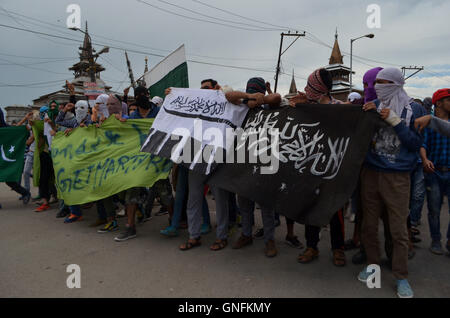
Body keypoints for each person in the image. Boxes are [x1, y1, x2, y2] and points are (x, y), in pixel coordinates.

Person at [359, 67, 424, 298]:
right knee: (369, 225)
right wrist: (367, 116)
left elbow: (416, 143)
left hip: (397, 177)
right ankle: (373, 265)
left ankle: (401, 276)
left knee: (398, 230)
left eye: (383, 82)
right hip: (371, 173)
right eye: (376, 83)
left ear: (395, 83)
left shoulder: (413, 108)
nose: (377, 87)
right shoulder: (373, 105)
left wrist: (394, 120)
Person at [289, 68, 347, 266]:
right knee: (311, 208)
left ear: (320, 89)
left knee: (335, 210)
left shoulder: (341, 107)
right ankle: (311, 246)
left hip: (334, 169)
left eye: (311, 86)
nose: (308, 90)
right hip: (310, 167)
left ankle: (338, 248)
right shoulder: (304, 106)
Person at [226, 77, 281, 257]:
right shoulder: (241, 106)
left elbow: (278, 98)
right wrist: (248, 97)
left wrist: (262, 98)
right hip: (244, 162)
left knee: (266, 205)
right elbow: (229, 95)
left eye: (254, 90)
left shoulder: (268, 107)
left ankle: (269, 240)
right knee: (244, 202)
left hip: (266, 161)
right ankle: (246, 234)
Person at [114, 89, 159, 242]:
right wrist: (123, 124)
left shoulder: (158, 112)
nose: (142, 98)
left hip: (157, 159)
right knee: (131, 193)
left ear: (148, 96)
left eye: (144, 95)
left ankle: (175, 222)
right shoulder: (133, 116)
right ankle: (130, 227)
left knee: (164, 194)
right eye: (138, 96)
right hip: (139, 161)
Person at [420, 88, 450, 255]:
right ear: (438, 103)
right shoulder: (429, 124)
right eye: (449, 100)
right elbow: (423, 144)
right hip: (435, 172)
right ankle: (436, 240)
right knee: (434, 209)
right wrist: (425, 160)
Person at [0, 108, 31, 204]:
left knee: (9, 179)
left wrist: (25, 119)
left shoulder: (4, 129)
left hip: (3, 153)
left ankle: (25, 193)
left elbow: (14, 130)